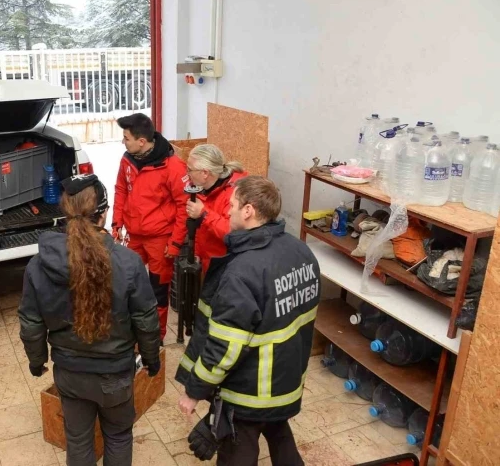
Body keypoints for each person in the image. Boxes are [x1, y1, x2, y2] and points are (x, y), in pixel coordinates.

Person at [175, 176, 321, 466]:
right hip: (285, 381)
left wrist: (194, 391)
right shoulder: (301, 252)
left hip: (249, 392)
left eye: (231, 205)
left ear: (248, 210)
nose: (227, 211)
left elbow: (225, 348)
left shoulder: (242, 271)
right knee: (279, 434)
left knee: (238, 451)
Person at [19, 174, 161, 466]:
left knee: (79, 441)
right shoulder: (128, 263)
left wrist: (37, 362)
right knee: (119, 436)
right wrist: (151, 360)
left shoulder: (38, 265)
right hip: (117, 375)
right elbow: (146, 319)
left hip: (70, 375)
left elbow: (31, 325)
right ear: (104, 212)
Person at [113, 113, 189, 342]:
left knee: (158, 291)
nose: (123, 142)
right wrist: (116, 224)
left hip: (160, 241)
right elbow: (120, 190)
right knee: (125, 284)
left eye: (126, 138)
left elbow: (184, 206)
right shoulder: (127, 159)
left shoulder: (173, 167)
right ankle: (129, 332)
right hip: (132, 237)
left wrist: (175, 243)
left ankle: (156, 337)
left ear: (142, 141)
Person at [185, 144, 248, 271]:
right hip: (208, 261)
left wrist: (203, 214)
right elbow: (200, 228)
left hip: (226, 266)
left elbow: (233, 232)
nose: (187, 175)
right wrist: (196, 254)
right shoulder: (202, 188)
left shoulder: (236, 193)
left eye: (189, 170)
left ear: (205, 173)